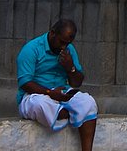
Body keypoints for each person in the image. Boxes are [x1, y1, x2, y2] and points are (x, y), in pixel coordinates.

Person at [17, 20, 97, 150]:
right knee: (41, 105)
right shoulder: (31, 49)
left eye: (67, 43)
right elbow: (25, 83)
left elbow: (77, 83)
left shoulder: (69, 50)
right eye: (62, 42)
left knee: (88, 102)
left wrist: (70, 67)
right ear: (52, 33)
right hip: (35, 95)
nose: (64, 47)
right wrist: (50, 93)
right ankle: (73, 114)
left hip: (62, 94)